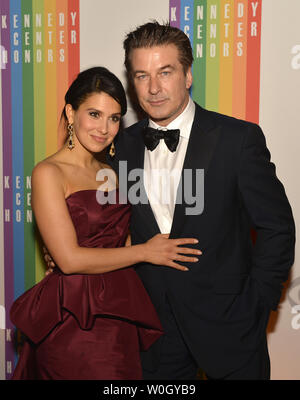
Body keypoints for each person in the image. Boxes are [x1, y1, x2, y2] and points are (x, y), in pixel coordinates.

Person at [108, 21, 295, 380]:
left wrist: (257, 306)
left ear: (188, 75)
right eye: (142, 75)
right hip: (153, 332)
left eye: (165, 72)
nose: (154, 88)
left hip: (230, 327)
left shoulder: (237, 140)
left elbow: (277, 228)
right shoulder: (122, 146)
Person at [10, 66, 201, 380]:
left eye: (114, 118)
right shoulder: (49, 173)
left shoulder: (113, 172)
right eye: (95, 114)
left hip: (120, 311)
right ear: (71, 113)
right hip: (73, 318)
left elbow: (120, 237)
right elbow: (69, 260)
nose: (105, 128)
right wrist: (145, 252)